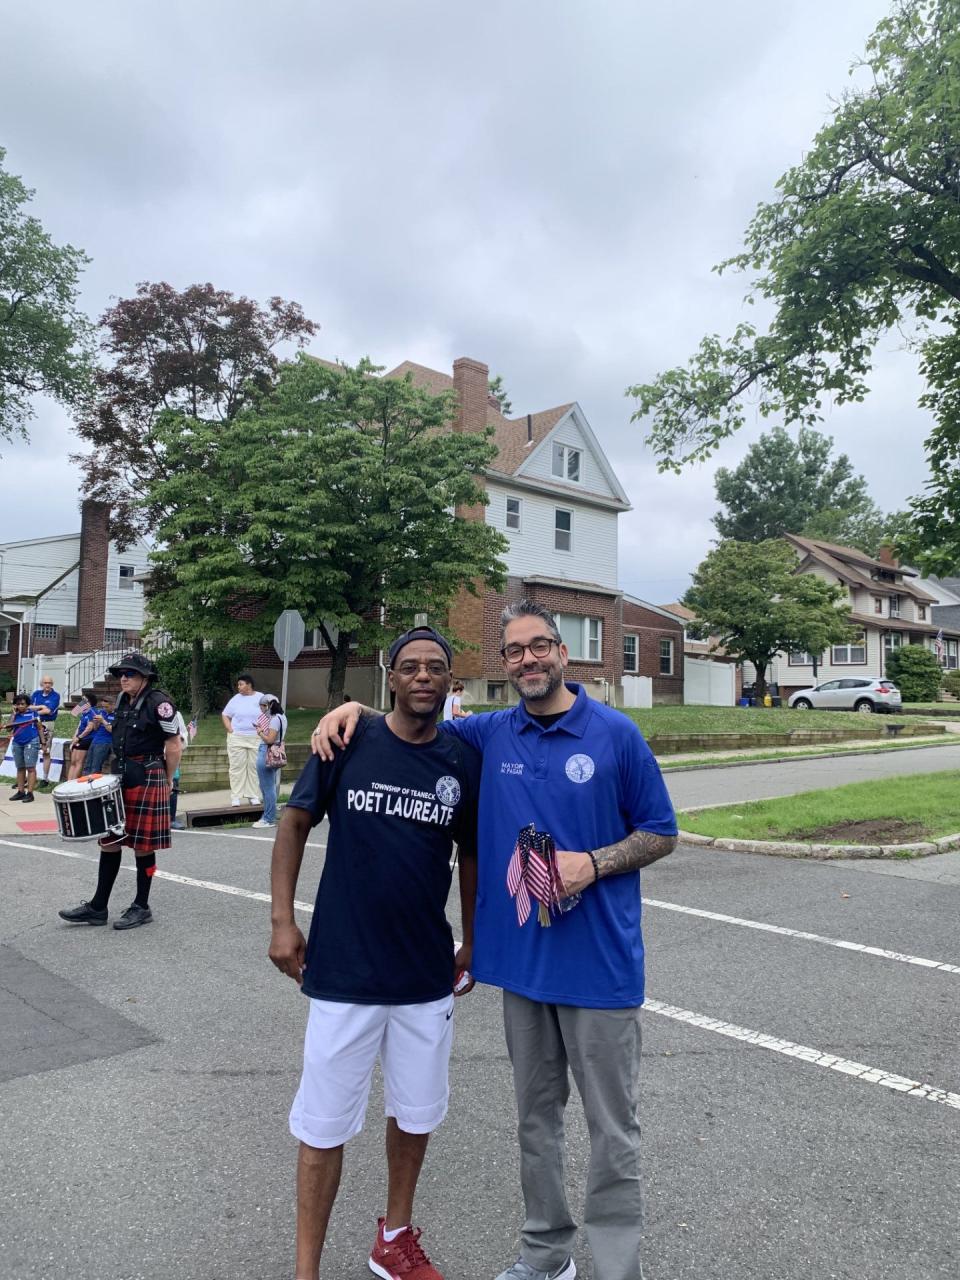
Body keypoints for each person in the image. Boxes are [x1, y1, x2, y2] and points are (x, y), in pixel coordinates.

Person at [313, 601, 678, 1280]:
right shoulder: (488, 734)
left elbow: (661, 832)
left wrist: (592, 863)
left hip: (600, 972)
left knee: (612, 1132)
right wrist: (354, 713)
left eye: (541, 646)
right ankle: (546, 1256)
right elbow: (413, 717)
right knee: (537, 1125)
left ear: (563, 653)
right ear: (504, 663)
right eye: (515, 651)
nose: (529, 659)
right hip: (524, 970)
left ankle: (616, 1267)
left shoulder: (616, 736)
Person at [270, 625, 481, 1280]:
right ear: (390, 678)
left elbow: (470, 855)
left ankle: (393, 1236)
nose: (424, 676)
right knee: (323, 1127)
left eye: (436, 668)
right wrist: (282, 921)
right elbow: (295, 821)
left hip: (424, 975)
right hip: (343, 971)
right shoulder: (346, 739)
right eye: (411, 666)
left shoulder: (460, 759)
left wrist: (473, 939)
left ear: (450, 682)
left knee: (416, 1115)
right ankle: (306, 1270)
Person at [58, 652, 182, 932]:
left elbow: (174, 744)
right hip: (121, 774)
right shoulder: (123, 700)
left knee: (143, 845)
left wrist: (168, 778)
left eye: (130, 674)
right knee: (110, 838)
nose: (123, 678)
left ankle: (142, 905)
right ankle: (98, 907)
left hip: (148, 774)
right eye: (121, 674)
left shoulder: (159, 703)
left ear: (145, 677)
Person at [222, 673, 263, 807]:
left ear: (249, 685)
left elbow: (269, 715)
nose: (238, 687)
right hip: (237, 738)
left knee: (254, 767)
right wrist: (229, 728)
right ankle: (236, 796)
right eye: (238, 684)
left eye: (241, 684)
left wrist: (263, 730)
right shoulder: (236, 699)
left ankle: (253, 795)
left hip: (256, 738)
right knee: (236, 767)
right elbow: (225, 714)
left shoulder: (261, 698)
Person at [253, 694, 287, 829]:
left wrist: (260, 731)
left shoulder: (274, 719)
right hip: (276, 751)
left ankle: (268, 818)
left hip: (267, 751)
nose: (261, 710)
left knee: (267, 787)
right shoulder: (283, 717)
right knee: (269, 786)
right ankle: (268, 816)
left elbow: (269, 740)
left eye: (262, 707)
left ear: (268, 705)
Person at [4, 694, 42, 803]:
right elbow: (8, 728)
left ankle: (30, 793)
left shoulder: (33, 714)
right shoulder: (15, 715)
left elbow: (39, 728)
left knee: (30, 767)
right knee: (20, 768)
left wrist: (43, 743)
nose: (20, 706)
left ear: (27, 705)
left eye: (23, 704)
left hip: (31, 741)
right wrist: (13, 714)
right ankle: (20, 791)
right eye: (18, 704)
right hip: (17, 742)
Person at [28, 675, 61, 783]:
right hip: (34, 723)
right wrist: (40, 706)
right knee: (31, 749)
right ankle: (29, 777)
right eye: (45, 683)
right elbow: (28, 707)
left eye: (50, 683)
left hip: (47, 724)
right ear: (41, 684)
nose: (47, 685)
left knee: (45, 751)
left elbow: (48, 711)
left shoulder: (55, 696)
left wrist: (35, 709)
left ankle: (45, 778)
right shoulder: (36, 694)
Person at [84, 696, 116, 775]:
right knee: (87, 766)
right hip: (95, 740)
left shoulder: (116, 715)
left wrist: (103, 721)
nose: (104, 708)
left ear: (113, 705)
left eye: (106, 707)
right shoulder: (101, 712)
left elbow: (112, 730)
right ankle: (85, 785)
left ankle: (93, 785)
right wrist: (96, 722)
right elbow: (95, 729)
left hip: (105, 742)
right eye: (103, 706)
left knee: (95, 767)